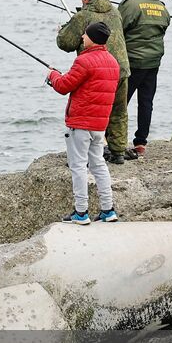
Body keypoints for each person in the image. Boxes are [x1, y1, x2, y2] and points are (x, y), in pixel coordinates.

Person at [47, 21, 121, 225]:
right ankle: (108, 209)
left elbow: (63, 86)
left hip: (80, 123)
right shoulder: (113, 62)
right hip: (99, 125)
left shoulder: (84, 61)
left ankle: (81, 212)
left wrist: (52, 75)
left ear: (93, 38)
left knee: (78, 166)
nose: (82, 37)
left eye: (85, 35)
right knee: (98, 164)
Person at [57, 0, 130, 164]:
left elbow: (65, 43)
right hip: (120, 68)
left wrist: (64, 28)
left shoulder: (83, 16)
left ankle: (87, 154)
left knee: (90, 113)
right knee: (119, 111)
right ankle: (118, 152)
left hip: (95, 70)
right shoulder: (115, 11)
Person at [117, 0, 171, 157]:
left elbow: (117, 29)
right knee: (146, 102)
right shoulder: (161, 7)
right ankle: (141, 142)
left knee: (121, 103)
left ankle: (116, 139)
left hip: (132, 62)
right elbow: (165, 26)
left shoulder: (130, 4)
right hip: (153, 62)